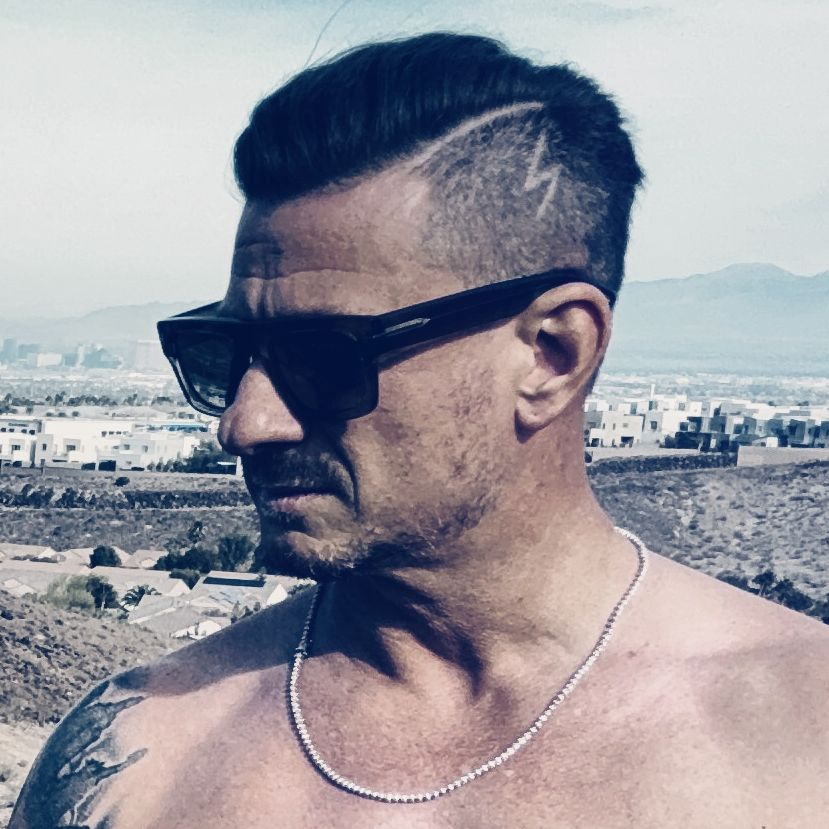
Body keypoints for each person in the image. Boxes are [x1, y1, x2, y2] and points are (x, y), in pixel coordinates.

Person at [11, 32, 827, 829]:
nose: (244, 422)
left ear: (552, 353)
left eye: (323, 358)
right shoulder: (139, 754)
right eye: (223, 354)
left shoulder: (799, 739)